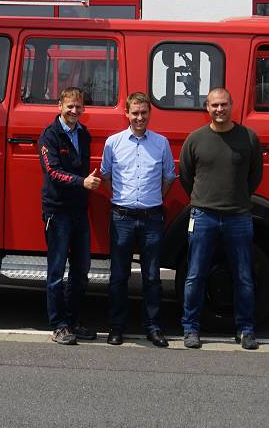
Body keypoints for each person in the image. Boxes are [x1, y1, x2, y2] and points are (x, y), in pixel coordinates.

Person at [179, 87, 264, 350]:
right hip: (203, 215)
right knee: (195, 275)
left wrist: (237, 198)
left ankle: (246, 329)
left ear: (232, 105)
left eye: (224, 104)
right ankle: (191, 329)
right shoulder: (194, 139)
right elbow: (185, 175)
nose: (219, 110)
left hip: (238, 216)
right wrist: (204, 200)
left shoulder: (248, 138)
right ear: (207, 107)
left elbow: (255, 176)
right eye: (214, 105)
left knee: (243, 276)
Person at [100, 92, 176, 348]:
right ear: (127, 114)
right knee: (118, 276)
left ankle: (153, 328)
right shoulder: (113, 143)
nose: (139, 117)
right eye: (135, 113)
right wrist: (123, 199)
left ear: (149, 113)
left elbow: (168, 178)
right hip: (121, 217)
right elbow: (106, 176)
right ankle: (116, 327)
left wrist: (152, 200)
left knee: (152, 277)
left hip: (152, 217)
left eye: (144, 112)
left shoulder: (161, 143)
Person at [38, 86, 103, 345]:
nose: (74, 111)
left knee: (80, 271)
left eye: (78, 106)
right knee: (56, 272)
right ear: (60, 107)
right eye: (70, 106)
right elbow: (52, 171)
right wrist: (82, 183)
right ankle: (59, 326)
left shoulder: (83, 134)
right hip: (58, 212)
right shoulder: (49, 135)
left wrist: (86, 183)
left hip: (78, 212)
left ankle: (74, 321)